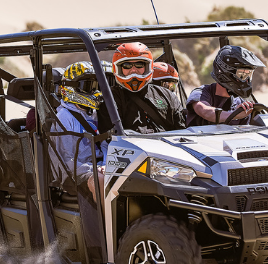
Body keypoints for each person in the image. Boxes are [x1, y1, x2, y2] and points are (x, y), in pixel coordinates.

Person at [49, 61, 107, 201]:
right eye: (87, 86)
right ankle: (106, 223)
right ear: (71, 87)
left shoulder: (93, 112)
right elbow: (67, 160)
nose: (93, 91)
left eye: (95, 86)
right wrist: (92, 170)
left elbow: (104, 143)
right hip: (74, 174)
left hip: (97, 166)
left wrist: (105, 164)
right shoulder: (64, 116)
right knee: (101, 181)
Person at [98, 42, 185, 134]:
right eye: (127, 66)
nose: (134, 70)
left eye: (139, 64)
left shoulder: (167, 95)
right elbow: (109, 137)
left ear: (147, 66)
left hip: (167, 146)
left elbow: (182, 130)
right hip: (130, 147)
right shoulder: (110, 98)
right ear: (118, 68)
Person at [186, 45, 265, 126]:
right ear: (225, 72)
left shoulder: (240, 103)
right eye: (242, 75)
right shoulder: (201, 93)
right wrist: (234, 114)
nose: (246, 80)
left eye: (249, 75)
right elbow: (206, 112)